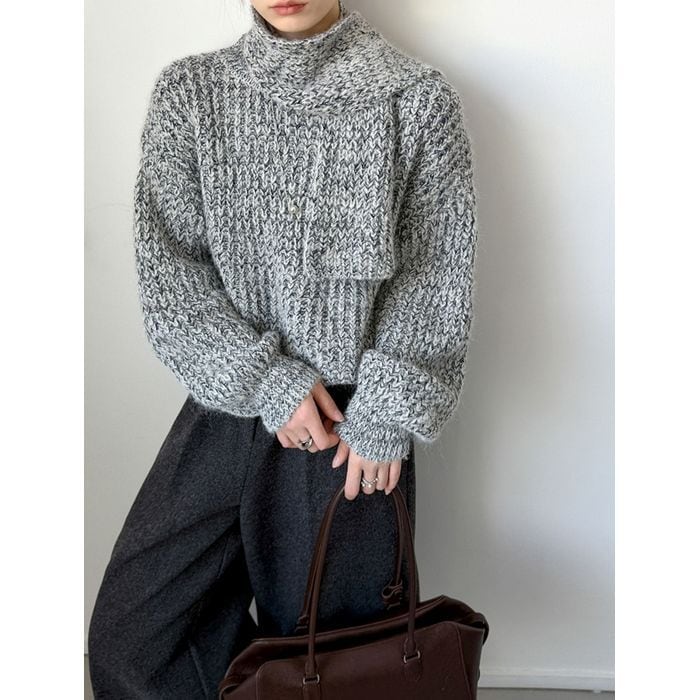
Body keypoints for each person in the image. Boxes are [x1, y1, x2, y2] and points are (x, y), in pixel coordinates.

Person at [87, 0, 478, 697]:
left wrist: (388, 412)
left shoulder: (415, 99)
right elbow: (170, 273)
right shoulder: (191, 94)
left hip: (352, 430)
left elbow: (435, 272)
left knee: (331, 670)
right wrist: (265, 380)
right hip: (226, 404)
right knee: (135, 639)